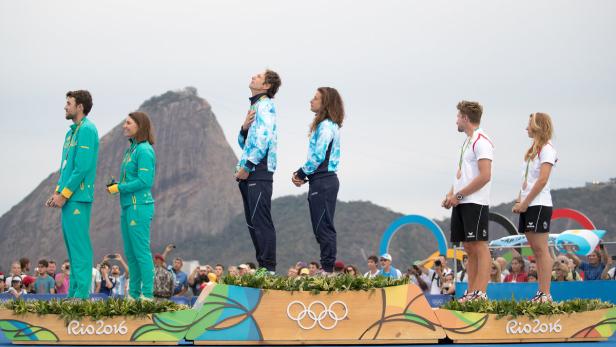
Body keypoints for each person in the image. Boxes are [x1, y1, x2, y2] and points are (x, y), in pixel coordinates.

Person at [45, 90, 98, 299]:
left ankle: (81, 297)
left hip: (78, 197)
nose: (65, 107)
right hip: (68, 197)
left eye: (69, 103)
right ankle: (74, 294)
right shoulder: (71, 133)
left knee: (80, 249)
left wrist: (64, 195)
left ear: (80, 107)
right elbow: (66, 167)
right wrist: (57, 191)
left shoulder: (88, 129)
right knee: (72, 250)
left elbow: (82, 167)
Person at [441, 100, 494, 302]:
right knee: (469, 247)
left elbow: (485, 175)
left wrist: (459, 196)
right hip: (462, 202)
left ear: (465, 118)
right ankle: (471, 292)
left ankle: (480, 293)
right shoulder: (467, 142)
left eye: (457, 117)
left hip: (476, 202)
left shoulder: (482, 141)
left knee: (480, 246)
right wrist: (450, 195)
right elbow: (462, 176)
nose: (455, 121)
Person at [292, 87, 344, 274]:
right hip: (321, 180)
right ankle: (327, 267)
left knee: (324, 227)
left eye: (315, 98)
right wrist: (307, 177)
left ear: (325, 103)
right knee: (320, 227)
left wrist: (300, 173)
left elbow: (319, 155)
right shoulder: (327, 125)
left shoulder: (326, 126)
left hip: (324, 181)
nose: (311, 101)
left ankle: (328, 270)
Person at [235, 70, 282, 273]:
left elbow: (263, 139)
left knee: (261, 219)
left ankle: (268, 268)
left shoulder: (266, 105)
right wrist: (244, 127)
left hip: (259, 168)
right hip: (249, 169)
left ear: (266, 86)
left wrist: (248, 166)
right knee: (252, 221)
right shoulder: (255, 106)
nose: (253, 76)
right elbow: (244, 143)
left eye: (259, 76)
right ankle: (262, 266)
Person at [107, 111, 157, 300]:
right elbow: (131, 178)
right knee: (131, 253)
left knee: (141, 252)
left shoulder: (144, 150)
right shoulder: (131, 150)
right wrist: (117, 186)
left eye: (128, 123)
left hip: (139, 206)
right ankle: (134, 295)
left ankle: (148, 295)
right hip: (128, 206)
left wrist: (119, 187)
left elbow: (145, 181)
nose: (124, 126)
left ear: (139, 126)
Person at [512, 112, 557, 302]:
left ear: (538, 126)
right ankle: (541, 292)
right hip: (529, 203)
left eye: (529, 124)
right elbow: (528, 180)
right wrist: (519, 199)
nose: (526, 128)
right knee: (534, 250)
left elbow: (542, 180)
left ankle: (545, 293)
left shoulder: (547, 149)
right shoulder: (532, 150)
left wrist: (526, 202)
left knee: (541, 250)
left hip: (538, 204)